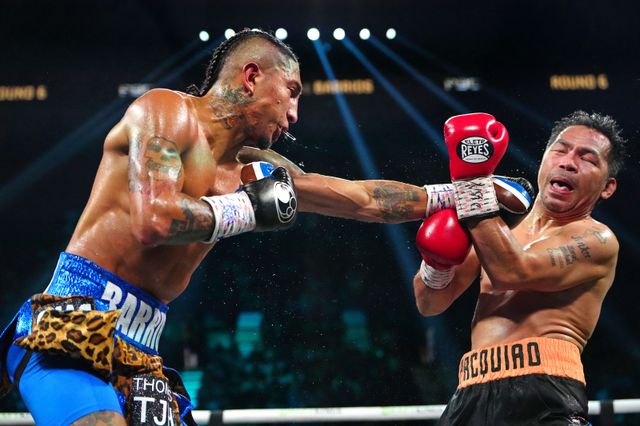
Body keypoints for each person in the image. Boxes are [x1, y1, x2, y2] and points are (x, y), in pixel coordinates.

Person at [0, 28, 471, 426]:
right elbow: (154, 219)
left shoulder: (257, 168)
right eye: (292, 91)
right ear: (251, 76)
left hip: (142, 352)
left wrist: (460, 194)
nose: (294, 114)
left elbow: (361, 199)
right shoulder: (166, 112)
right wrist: (246, 209)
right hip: (74, 323)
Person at [413, 111, 627, 425]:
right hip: (471, 390)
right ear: (543, 159)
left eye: (587, 159)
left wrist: (471, 181)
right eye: (560, 150)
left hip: (543, 390)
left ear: (607, 187)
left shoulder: (597, 240)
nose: (568, 162)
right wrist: (436, 262)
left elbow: (513, 272)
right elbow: (429, 303)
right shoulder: (497, 230)